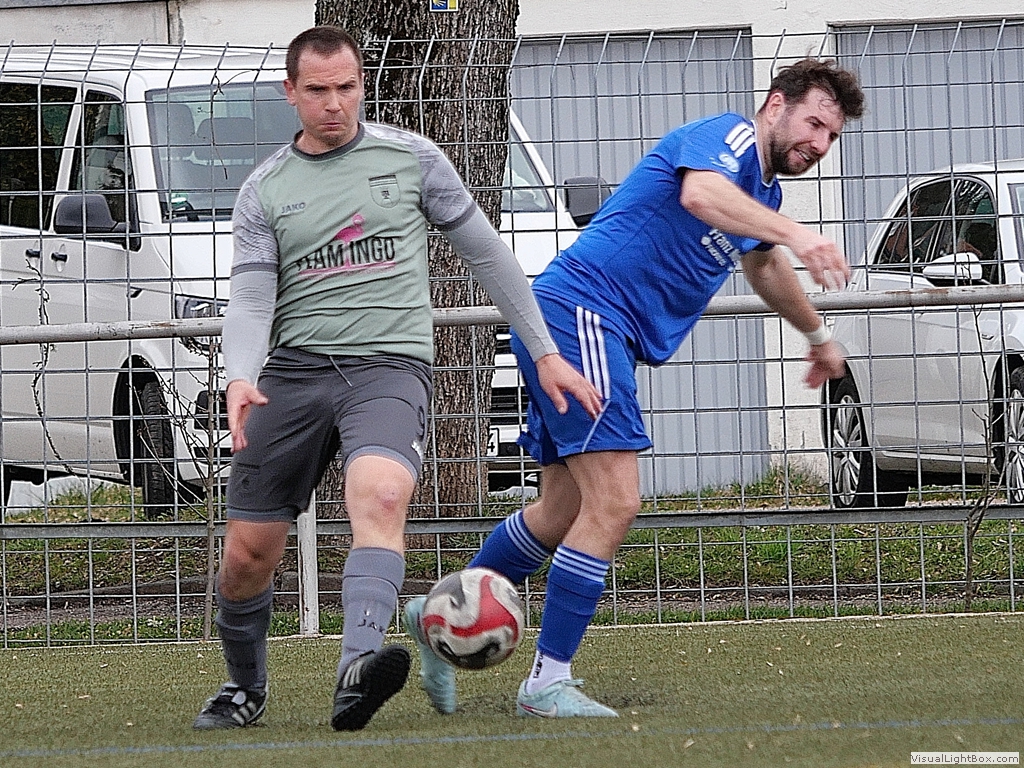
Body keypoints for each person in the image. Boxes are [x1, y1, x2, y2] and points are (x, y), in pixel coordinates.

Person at [405, 58, 865, 718]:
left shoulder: (762, 197)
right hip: (586, 315)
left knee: (560, 511)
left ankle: (438, 615)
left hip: (579, 322)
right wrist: (798, 233)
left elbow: (764, 268)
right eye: (814, 124)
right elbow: (700, 196)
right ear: (775, 105)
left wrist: (817, 334)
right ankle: (547, 683)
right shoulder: (729, 137)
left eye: (831, 136)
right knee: (616, 502)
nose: (819, 144)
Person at [192, 25, 601, 732]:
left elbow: (489, 256)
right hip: (293, 374)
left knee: (381, 495)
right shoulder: (265, 190)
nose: (334, 104)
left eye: (347, 88)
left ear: (362, 86)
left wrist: (542, 351)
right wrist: (239, 377)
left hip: (388, 367)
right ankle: (244, 686)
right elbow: (252, 299)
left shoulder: (412, 159)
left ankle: (357, 670)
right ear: (290, 93)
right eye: (317, 90)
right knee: (247, 556)